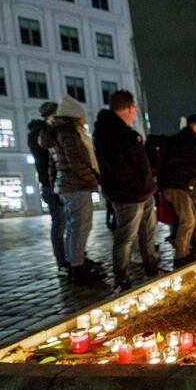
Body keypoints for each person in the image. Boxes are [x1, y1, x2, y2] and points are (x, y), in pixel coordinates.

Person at [93, 90, 159, 290]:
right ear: (130, 108)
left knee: (148, 232)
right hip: (128, 194)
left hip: (143, 192)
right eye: (134, 110)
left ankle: (152, 267)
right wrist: (139, 185)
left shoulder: (124, 131)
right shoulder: (109, 131)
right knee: (126, 236)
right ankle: (121, 276)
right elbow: (119, 168)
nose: (135, 114)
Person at [39, 95, 101, 283]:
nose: (83, 123)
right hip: (76, 185)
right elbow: (76, 163)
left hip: (67, 185)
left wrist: (55, 185)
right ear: (74, 118)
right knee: (80, 227)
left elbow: (53, 166)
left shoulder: (56, 134)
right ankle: (77, 268)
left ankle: (75, 263)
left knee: (76, 227)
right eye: (81, 119)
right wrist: (94, 180)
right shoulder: (68, 134)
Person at [158, 114, 196, 267]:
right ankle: (181, 256)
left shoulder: (182, 139)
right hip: (175, 186)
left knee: (193, 217)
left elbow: (188, 168)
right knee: (188, 219)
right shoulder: (187, 141)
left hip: (176, 184)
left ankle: (186, 251)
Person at [28, 102, 66, 274]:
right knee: (59, 225)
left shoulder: (44, 132)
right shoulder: (40, 134)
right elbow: (47, 159)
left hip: (56, 183)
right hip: (51, 185)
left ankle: (71, 258)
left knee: (67, 224)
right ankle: (63, 262)